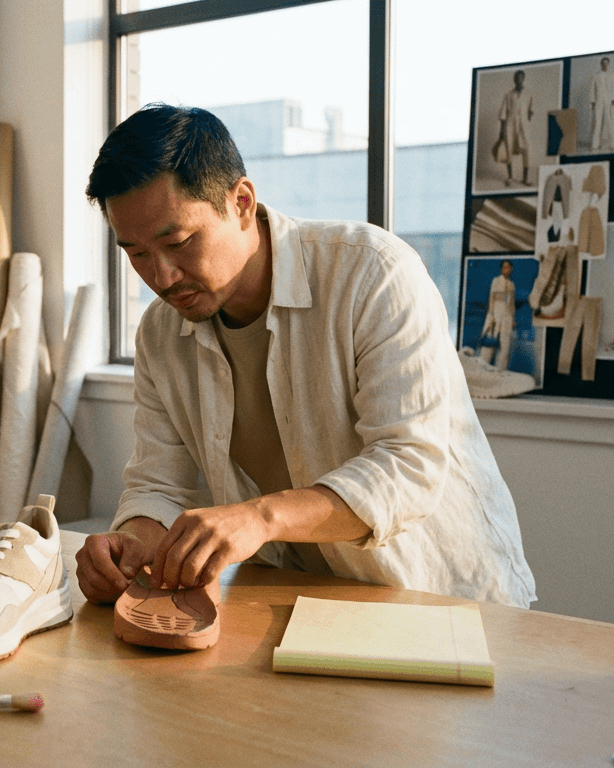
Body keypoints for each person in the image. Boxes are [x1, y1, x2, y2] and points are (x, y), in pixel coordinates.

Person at [76, 104, 535, 609]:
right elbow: (159, 482)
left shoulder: (373, 273)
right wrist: (133, 542)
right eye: (136, 254)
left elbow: (407, 466)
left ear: (242, 202)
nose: (160, 277)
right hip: (295, 600)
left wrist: (260, 518)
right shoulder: (161, 334)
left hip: (437, 595)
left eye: (179, 242)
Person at [480, 260, 516, 369]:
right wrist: (491, 315)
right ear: (501, 269)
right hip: (496, 313)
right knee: (490, 342)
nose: (507, 269)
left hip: (507, 316)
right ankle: (482, 367)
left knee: (505, 346)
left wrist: (512, 318)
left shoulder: (511, 284)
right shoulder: (496, 280)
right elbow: (491, 299)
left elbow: (512, 304)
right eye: (505, 267)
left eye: (509, 267)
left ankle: (501, 370)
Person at [499, 69, 533, 186]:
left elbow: (531, 110)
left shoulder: (528, 94)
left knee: (526, 149)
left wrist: (526, 122)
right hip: (510, 125)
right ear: (514, 80)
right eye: (516, 78)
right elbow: (503, 114)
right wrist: (501, 131)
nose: (519, 80)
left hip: (523, 126)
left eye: (521, 78)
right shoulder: (508, 95)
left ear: (523, 79)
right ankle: (510, 177)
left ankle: (525, 179)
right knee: (509, 149)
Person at [589, 57, 614, 152]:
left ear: (608, 64)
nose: (605, 65)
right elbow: (592, 89)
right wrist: (592, 102)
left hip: (608, 101)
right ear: (601, 64)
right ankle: (595, 145)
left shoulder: (612, 75)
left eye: (607, 63)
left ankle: (612, 144)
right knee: (597, 122)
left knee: (609, 123)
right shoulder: (596, 75)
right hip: (599, 101)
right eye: (603, 63)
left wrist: (613, 99)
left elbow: (613, 88)